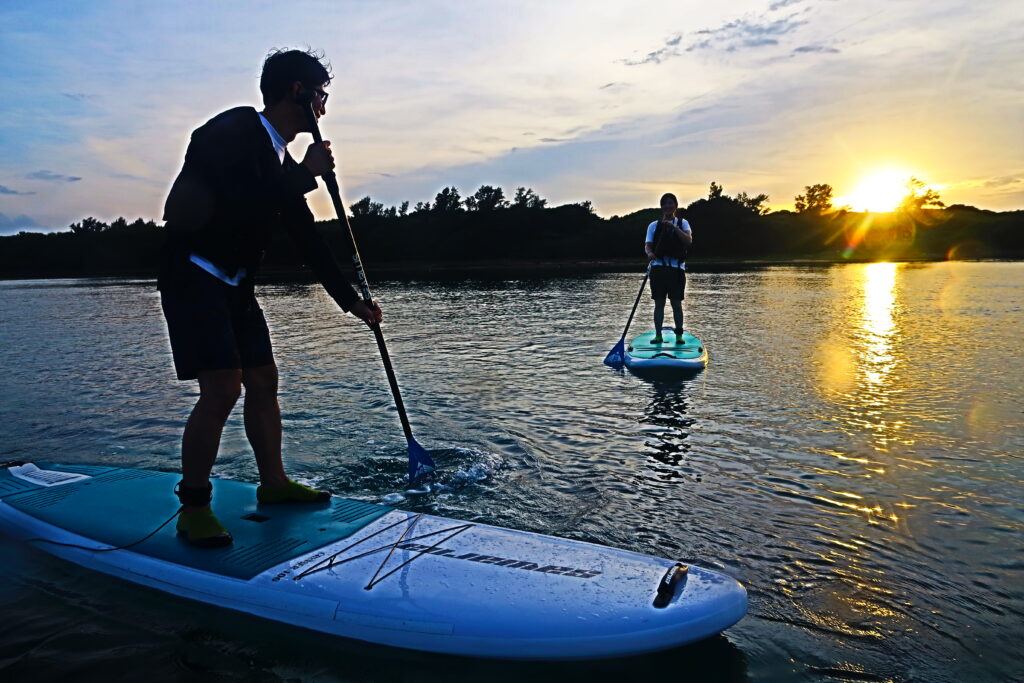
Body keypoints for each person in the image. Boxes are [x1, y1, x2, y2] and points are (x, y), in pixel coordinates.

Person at [158, 48, 381, 547]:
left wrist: (352, 303)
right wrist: (303, 176)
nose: (323, 109)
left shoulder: (278, 157)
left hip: (235, 283)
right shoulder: (233, 130)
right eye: (320, 96)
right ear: (296, 92)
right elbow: (240, 202)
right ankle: (194, 505)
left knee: (263, 379)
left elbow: (305, 235)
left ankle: (274, 484)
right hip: (193, 275)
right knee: (222, 389)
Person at [644, 193, 693, 344]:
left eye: (670, 203)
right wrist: (650, 253)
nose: (668, 206)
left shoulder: (683, 223)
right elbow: (648, 245)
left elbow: (688, 241)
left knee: (676, 304)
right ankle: (658, 335)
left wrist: (674, 227)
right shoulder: (653, 225)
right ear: (661, 207)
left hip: (677, 269)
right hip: (658, 269)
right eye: (665, 204)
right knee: (659, 303)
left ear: (675, 206)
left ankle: (679, 335)